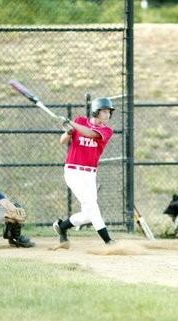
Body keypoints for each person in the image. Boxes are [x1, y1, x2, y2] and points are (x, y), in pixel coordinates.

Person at [52, 97, 116, 249]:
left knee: (88, 215)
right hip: (73, 172)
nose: (107, 115)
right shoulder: (80, 120)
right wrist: (68, 131)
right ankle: (108, 241)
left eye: (109, 112)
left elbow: (89, 133)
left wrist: (71, 123)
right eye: (104, 111)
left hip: (90, 175)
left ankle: (62, 226)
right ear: (95, 111)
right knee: (92, 204)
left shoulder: (106, 131)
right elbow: (63, 140)